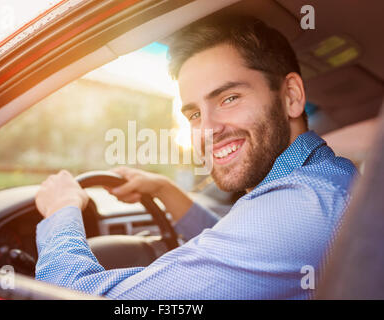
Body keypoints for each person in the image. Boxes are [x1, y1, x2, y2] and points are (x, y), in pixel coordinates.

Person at [34, 15, 357, 299]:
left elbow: (79, 297)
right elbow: (241, 244)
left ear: (291, 96)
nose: (208, 129)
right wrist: (163, 189)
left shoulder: (300, 209)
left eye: (229, 98)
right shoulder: (320, 181)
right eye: (193, 114)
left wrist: (61, 212)